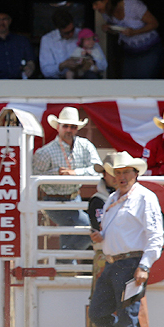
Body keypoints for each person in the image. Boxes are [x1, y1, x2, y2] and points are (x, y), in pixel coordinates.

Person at [88, 151, 163, 327]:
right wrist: (101, 238)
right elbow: (115, 231)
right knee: (98, 313)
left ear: (135, 173)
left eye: (125, 172)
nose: (121, 177)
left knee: (126, 317)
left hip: (132, 264)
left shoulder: (144, 198)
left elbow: (155, 235)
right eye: (118, 173)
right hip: (112, 263)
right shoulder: (113, 199)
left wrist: (145, 265)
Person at [32, 106, 100, 253]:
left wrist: (75, 173)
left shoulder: (85, 145)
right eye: (66, 126)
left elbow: (98, 169)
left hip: (75, 198)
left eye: (73, 127)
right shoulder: (45, 152)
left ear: (77, 129)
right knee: (88, 230)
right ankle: (65, 260)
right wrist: (56, 173)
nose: (69, 130)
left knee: (71, 234)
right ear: (58, 127)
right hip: (53, 200)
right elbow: (35, 177)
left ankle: (66, 265)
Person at [91, 0, 162, 79]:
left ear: (106, 0)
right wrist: (109, 29)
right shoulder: (105, 12)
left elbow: (154, 23)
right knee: (127, 82)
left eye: (96, 4)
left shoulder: (132, 5)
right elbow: (119, 30)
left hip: (149, 50)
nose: (94, 7)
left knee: (143, 83)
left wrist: (134, 32)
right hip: (130, 52)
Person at [38, 8, 79, 79]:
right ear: (58, 29)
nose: (71, 34)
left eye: (72, 30)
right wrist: (62, 65)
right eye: (67, 33)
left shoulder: (82, 34)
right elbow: (45, 71)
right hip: (57, 81)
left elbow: (102, 63)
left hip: (81, 79)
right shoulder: (47, 40)